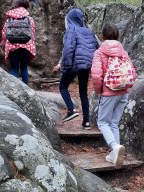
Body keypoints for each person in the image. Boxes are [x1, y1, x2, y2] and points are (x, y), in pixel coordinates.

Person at [90, 23, 137, 168]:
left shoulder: (100, 52)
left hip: (109, 92)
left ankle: (114, 147)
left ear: (102, 36)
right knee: (114, 123)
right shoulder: (123, 52)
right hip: (123, 92)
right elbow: (132, 71)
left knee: (103, 122)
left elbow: (96, 75)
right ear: (118, 36)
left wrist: (99, 91)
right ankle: (113, 154)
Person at [52, 8, 99, 129]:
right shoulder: (89, 31)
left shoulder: (71, 30)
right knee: (83, 93)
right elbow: (96, 46)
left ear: (70, 19)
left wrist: (65, 66)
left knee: (62, 86)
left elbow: (68, 49)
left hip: (74, 63)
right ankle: (86, 122)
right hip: (86, 65)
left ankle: (71, 109)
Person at [1, 0, 36, 85]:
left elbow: (4, 32)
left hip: (12, 46)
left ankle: (13, 89)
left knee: (14, 68)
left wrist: (4, 41)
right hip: (26, 45)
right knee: (24, 68)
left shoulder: (10, 17)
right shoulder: (29, 18)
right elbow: (32, 33)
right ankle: (26, 90)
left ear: (17, 5)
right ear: (27, 7)